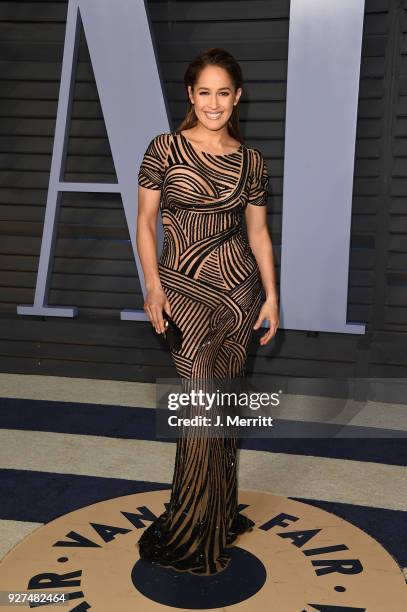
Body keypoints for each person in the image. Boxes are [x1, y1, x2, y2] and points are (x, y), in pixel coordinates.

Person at [135, 47, 279, 575]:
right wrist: (153, 285)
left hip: (238, 294)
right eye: (204, 92)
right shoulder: (164, 149)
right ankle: (191, 526)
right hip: (182, 293)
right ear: (190, 95)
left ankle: (215, 516)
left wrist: (271, 295)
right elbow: (146, 222)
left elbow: (258, 233)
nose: (214, 103)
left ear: (236, 97)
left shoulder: (252, 160)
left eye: (224, 93)